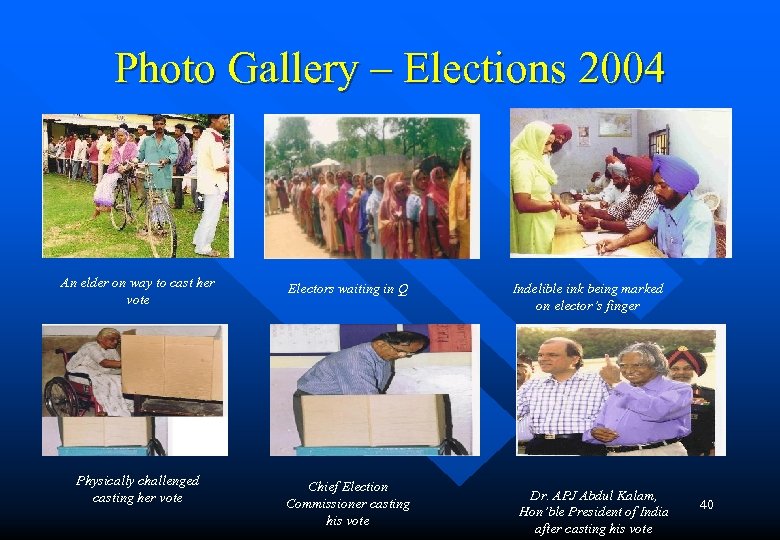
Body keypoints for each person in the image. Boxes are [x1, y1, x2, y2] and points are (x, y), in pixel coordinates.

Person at [293, 331, 430, 442]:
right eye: (401, 351)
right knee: (324, 448)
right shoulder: (355, 360)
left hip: (343, 402)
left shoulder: (384, 359)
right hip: (315, 403)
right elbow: (364, 400)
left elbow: (373, 395)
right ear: (381, 344)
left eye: (410, 354)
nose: (403, 356)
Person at [597, 155, 716, 257]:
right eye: (655, 185)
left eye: (662, 185)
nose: (656, 190)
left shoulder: (698, 216)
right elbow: (646, 229)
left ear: (680, 188)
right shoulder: (665, 207)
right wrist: (616, 243)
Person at [584, 342, 691, 456]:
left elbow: (657, 411)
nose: (628, 371)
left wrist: (616, 383)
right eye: (623, 365)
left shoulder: (680, 389)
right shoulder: (619, 392)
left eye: (637, 365)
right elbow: (597, 426)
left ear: (656, 365)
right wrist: (594, 433)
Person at [516, 337, 610, 455]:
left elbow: (621, 412)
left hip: (584, 447)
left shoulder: (600, 382)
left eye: (552, 355)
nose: (543, 359)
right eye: (540, 355)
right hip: (539, 448)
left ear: (575, 359)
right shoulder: (532, 385)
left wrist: (615, 382)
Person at [510, 121, 574, 254]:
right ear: (533, 140)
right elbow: (523, 204)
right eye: (546, 143)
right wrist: (555, 205)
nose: (550, 148)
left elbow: (539, 189)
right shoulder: (523, 165)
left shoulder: (535, 160)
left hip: (542, 222)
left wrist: (555, 199)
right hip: (532, 226)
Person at [579, 155, 658, 233]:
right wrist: (593, 211)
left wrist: (599, 223)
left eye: (635, 177)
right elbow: (617, 211)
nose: (630, 180)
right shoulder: (635, 192)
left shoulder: (653, 195)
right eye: (630, 176)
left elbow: (633, 225)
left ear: (647, 179)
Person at [64, 328, 133, 417]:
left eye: (117, 340)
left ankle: (125, 406)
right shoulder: (90, 347)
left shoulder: (112, 349)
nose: (115, 342)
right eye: (112, 339)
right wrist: (128, 362)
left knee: (123, 378)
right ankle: (113, 410)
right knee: (108, 381)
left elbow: (117, 364)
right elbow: (104, 363)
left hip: (99, 371)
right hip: (80, 372)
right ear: (101, 338)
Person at [667, 346, 715, 456]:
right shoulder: (655, 396)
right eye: (675, 369)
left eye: (688, 368)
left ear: (696, 371)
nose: (681, 372)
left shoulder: (711, 396)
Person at [192, 114, 229, 257]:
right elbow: (219, 165)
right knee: (211, 216)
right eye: (224, 118)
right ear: (213, 120)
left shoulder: (206, 136)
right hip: (214, 183)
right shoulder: (214, 138)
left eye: (227, 119)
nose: (227, 122)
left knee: (208, 214)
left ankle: (198, 240)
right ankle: (204, 247)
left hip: (209, 181)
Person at [91, 128, 138, 219]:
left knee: (109, 182)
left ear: (126, 136)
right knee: (101, 185)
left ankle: (108, 206)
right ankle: (97, 209)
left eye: (121, 135)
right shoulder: (116, 147)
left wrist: (125, 165)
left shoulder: (132, 145)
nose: (119, 138)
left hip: (127, 170)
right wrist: (118, 166)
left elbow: (133, 157)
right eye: (118, 136)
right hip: (115, 169)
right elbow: (114, 159)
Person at [421, 166, 456, 258]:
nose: (443, 180)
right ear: (433, 180)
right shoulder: (432, 197)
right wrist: (436, 247)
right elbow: (430, 223)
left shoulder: (448, 193)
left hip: (454, 233)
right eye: (439, 178)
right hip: (442, 235)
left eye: (445, 177)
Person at [379, 172, 411, 259]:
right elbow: (381, 222)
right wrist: (393, 224)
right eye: (396, 180)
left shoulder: (409, 198)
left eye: (403, 189)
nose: (401, 192)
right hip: (393, 237)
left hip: (409, 235)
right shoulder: (385, 202)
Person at [449, 143, 471, 258]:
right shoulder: (458, 181)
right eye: (468, 158)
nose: (472, 160)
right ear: (464, 161)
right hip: (466, 229)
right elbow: (452, 207)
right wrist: (452, 233)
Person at [172, 123, 192, 209]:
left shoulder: (182, 140)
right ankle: (179, 202)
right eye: (175, 130)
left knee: (176, 185)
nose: (175, 132)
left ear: (182, 131)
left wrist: (175, 165)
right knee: (176, 185)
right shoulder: (182, 139)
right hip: (181, 165)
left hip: (179, 166)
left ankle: (178, 204)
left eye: (177, 130)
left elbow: (179, 155)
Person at [366, 175, 385, 259]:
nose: (380, 186)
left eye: (382, 183)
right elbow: (370, 214)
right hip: (377, 226)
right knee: (378, 248)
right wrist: (372, 230)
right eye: (377, 184)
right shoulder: (372, 198)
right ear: (374, 185)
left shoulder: (388, 195)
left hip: (387, 225)